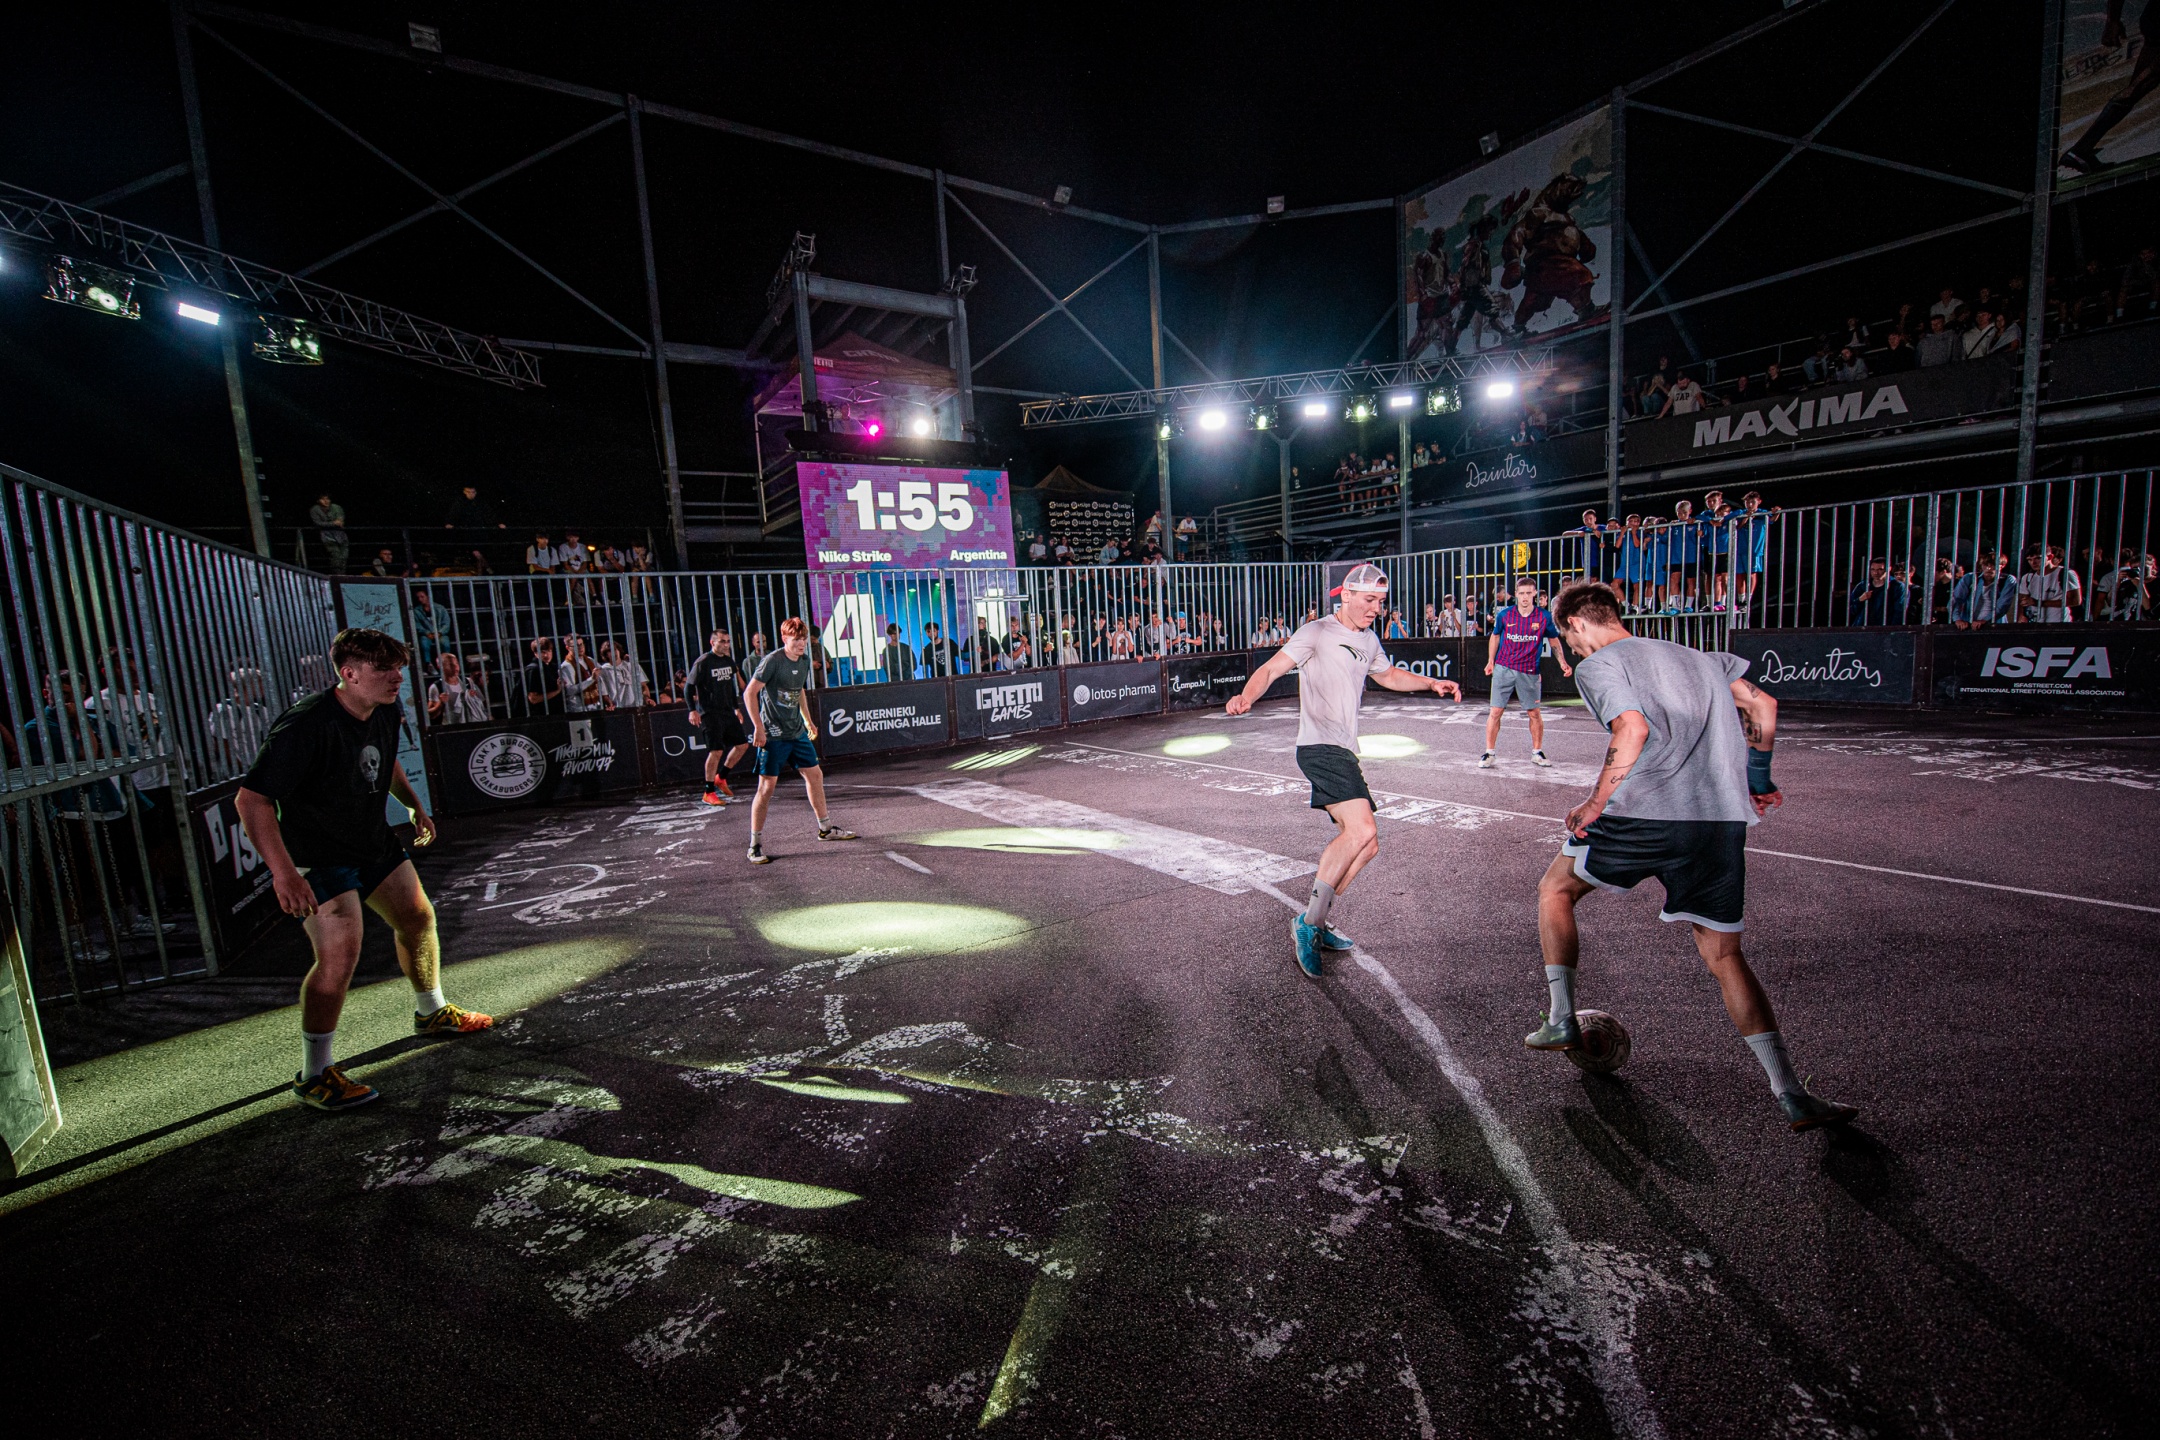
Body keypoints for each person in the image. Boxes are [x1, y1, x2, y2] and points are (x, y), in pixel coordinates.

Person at [1527, 580, 1856, 1132]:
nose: (1574, 650)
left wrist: (1595, 802)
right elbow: (1763, 704)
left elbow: (1632, 727)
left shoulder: (1600, 664)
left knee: (1555, 890)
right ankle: (1791, 1093)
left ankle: (1561, 1017)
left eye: (1569, 639)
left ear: (1577, 623)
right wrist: (1758, 778)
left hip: (1645, 813)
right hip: (1719, 820)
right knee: (1725, 957)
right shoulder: (1703, 658)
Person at [234, 628, 492, 1114]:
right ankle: (314, 1074)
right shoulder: (304, 725)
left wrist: (414, 807)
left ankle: (432, 1011)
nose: (397, 677)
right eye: (384, 669)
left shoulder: (384, 708)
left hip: (371, 840)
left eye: (399, 667)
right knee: (339, 956)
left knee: (417, 918)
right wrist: (284, 873)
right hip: (318, 852)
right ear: (349, 673)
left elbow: (386, 762)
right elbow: (252, 801)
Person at [1225, 563, 1461, 976]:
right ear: (1346, 595)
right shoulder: (1317, 631)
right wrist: (1247, 696)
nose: (1376, 609)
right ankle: (1309, 924)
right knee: (1361, 831)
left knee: (1368, 846)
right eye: (1369, 600)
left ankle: (1315, 920)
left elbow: (1388, 675)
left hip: (1345, 750)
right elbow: (1271, 668)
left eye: (1381, 602)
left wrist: (1430, 683)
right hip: (1319, 747)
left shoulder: (1368, 639)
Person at [741, 617, 858, 864]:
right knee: (766, 788)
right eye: (796, 639)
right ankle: (755, 845)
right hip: (774, 734)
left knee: (815, 775)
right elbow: (749, 693)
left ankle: (825, 829)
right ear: (785, 639)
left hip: (796, 733)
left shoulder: (804, 661)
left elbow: (799, 691)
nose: (801, 643)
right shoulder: (772, 661)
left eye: (803, 639)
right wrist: (758, 728)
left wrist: (807, 720)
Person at [1481, 576, 1573, 769]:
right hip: (1504, 668)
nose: (1525, 597)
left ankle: (1537, 752)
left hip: (1529, 671)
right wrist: (1490, 661)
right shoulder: (1504, 615)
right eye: (1521, 593)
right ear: (1516, 594)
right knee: (1495, 711)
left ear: (1534, 593)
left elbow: (1554, 640)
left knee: (1534, 713)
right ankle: (1489, 753)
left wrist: (1562, 662)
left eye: (1528, 593)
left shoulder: (1544, 617)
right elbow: (1495, 636)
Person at [687, 629, 750, 806]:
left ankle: (721, 777)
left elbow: (730, 687)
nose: (726, 645)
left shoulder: (728, 661)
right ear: (712, 642)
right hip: (710, 713)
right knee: (716, 751)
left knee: (742, 745)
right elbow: (688, 687)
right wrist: (692, 710)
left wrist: (736, 708)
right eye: (722, 641)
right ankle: (708, 792)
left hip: (727, 711)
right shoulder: (703, 662)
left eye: (728, 641)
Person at [1949, 551, 2018, 628]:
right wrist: (1957, 619)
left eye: (1993, 565)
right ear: (1981, 566)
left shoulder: (2007, 580)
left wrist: (1984, 620)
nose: (1989, 568)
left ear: (2002, 566)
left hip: (1995, 625)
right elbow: (1956, 600)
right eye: (1985, 565)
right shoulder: (1970, 578)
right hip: (1969, 624)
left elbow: (2002, 605)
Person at [2018, 544, 2082, 623]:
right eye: (2029, 560)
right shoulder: (2027, 577)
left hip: (2059, 623)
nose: (2033, 562)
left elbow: (2075, 600)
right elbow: (2021, 601)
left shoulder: (2065, 573)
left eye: (2038, 558)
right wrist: (2021, 615)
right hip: (2035, 623)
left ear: (2050, 557)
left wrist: (2039, 603)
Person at [426, 652, 489, 724]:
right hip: (451, 727)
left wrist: (475, 696)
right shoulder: (436, 687)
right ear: (440, 666)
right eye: (450, 664)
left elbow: (483, 704)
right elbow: (430, 715)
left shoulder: (468, 682)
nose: (455, 667)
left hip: (470, 724)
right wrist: (440, 704)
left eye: (457, 663)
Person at [1847, 559, 1908, 626]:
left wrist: (1891, 629)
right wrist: (1860, 600)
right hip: (1862, 627)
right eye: (1873, 569)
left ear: (1889, 569)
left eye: (1880, 569)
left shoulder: (1897, 587)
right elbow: (1850, 610)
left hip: (1885, 628)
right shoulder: (1862, 585)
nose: (1876, 573)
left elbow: (1900, 612)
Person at [596, 640, 651, 710]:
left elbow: (643, 686)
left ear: (619, 650)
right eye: (609, 651)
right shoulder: (603, 671)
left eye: (615, 649)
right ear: (606, 654)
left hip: (637, 706)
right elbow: (604, 694)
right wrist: (610, 704)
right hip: (618, 708)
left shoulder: (632, 666)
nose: (613, 652)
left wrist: (647, 699)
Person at [558, 635, 601, 712]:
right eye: (576, 646)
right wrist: (591, 679)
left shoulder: (590, 660)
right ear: (568, 648)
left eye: (581, 644)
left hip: (594, 706)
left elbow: (603, 674)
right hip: (578, 709)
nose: (580, 647)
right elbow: (568, 691)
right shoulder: (566, 666)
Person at [309, 494, 350, 574]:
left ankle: (342, 575)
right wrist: (333, 523)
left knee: (344, 556)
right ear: (318, 501)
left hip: (340, 535)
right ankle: (336, 575)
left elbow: (340, 520)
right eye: (323, 499)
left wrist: (336, 523)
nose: (326, 501)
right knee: (335, 555)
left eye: (327, 499)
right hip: (327, 535)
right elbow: (318, 523)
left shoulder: (336, 507)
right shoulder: (315, 509)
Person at [522, 637, 563, 715]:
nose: (546, 655)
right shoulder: (533, 670)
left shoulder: (553, 667)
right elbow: (533, 699)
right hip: (539, 714)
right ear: (535, 653)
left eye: (549, 651)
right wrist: (557, 691)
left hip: (554, 712)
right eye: (543, 652)